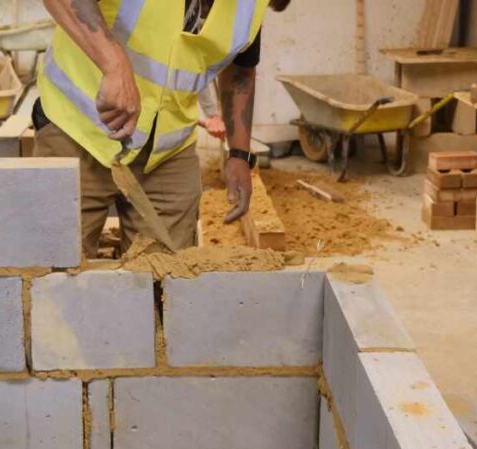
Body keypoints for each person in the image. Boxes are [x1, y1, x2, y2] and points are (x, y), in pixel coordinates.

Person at [34, 0, 293, 258]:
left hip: (167, 154)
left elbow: (240, 71)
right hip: (78, 130)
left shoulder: (251, 6)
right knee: (56, 272)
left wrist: (239, 154)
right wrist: (113, 62)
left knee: (166, 278)